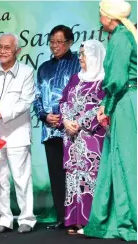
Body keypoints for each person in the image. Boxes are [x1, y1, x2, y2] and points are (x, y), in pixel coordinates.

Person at [82, 0, 137, 241]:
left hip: (126, 101)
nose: (99, 18)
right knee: (121, 159)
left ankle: (128, 219)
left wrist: (108, 106)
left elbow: (117, 79)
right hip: (127, 99)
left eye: (101, 14)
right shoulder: (125, 35)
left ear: (109, 17)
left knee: (126, 161)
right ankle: (119, 217)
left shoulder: (121, 37)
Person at [0, 33, 36, 234]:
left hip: (17, 133)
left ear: (17, 51)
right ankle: (4, 219)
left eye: (7, 48)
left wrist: (1, 114)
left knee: (22, 178)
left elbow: (26, 101)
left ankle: (27, 219)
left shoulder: (26, 72)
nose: (2, 51)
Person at [33, 25, 80, 230]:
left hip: (73, 130)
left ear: (70, 42)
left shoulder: (79, 63)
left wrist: (67, 118)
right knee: (56, 174)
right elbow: (35, 98)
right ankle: (62, 216)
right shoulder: (43, 68)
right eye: (52, 41)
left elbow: (83, 93)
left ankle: (78, 216)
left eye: (59, 42)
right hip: (50, 130)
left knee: (75, 173)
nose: (55, 46)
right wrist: (44, 115)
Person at [58, 40, 106, 234]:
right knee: (73, 177)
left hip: (92, 137)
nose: (80, 58)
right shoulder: (75, 78)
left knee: (90, 177)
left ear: (95, 56)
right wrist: (66, 121)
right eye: (79, 54)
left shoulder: (104, 80)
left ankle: (90, 221)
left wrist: (81, 122)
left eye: (84, 54)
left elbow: (102, 106)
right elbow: (63, 101)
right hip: (71, 138)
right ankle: (75, 221)